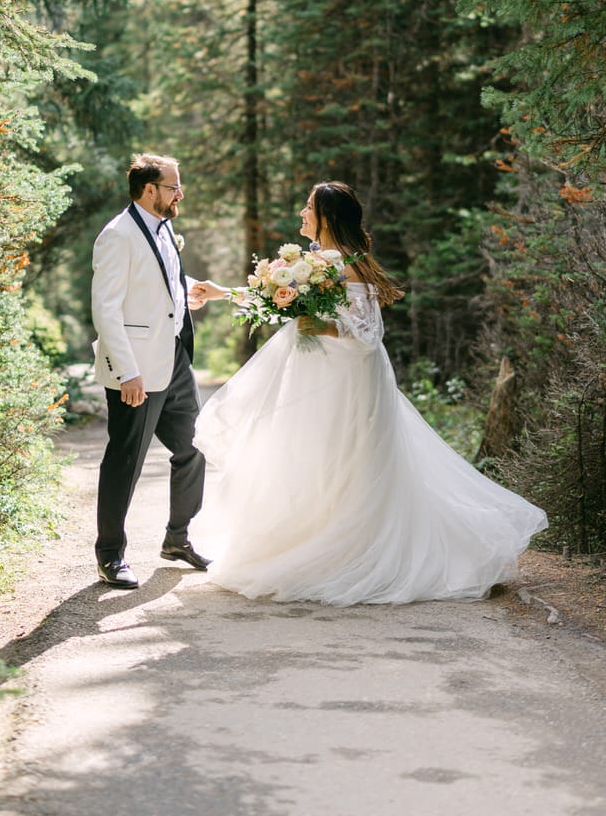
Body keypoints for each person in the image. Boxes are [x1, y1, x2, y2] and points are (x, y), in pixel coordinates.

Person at [192, 182, 548, 604]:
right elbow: (279, 300)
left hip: (349, 378)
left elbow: (368, 333)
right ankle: (316, 539)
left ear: (327, 216)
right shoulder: (314, 262)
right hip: (317, 375)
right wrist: (221, 293)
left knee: (351, 461)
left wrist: (319, 326)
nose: (302, 213)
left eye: (309, 208)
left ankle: (353, 552)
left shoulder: (348, 265)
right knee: (315, 461)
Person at [90, 152, 213, 588]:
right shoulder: (117, 236)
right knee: (126, 459)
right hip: (136, 367)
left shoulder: (164, 226)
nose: (180, 193)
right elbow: (106, 310)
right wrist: (127, 373)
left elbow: (156, 282)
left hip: (175, 357)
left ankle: (177, 539)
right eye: (173, 186)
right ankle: (110, 555)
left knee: (194, 447)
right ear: (149, 190)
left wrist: (185, 292)